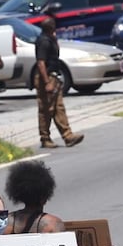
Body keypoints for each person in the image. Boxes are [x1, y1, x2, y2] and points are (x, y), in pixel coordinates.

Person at [35, 17, 83, 149]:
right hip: (47, 77)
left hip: (54, 77)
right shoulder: (44, 42)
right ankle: (45, 138)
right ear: (51, 27)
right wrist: (46, 82)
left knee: (58, 108)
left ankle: (68, 136)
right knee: (46, 109)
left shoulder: (50, 39)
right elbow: (41, 63)